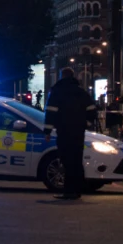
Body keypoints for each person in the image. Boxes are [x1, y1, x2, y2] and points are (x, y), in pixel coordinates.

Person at [44, 67, 96, 200]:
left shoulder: (57, 91)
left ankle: (68, 191)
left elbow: (50, 112)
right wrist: (86, 125)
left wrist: (47, 131)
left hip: (64, 130)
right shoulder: (81, 92)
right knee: (77, 160)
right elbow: (92, 110)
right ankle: (77, 189)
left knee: (66, 160)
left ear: (62, 76)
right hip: (78, 131)